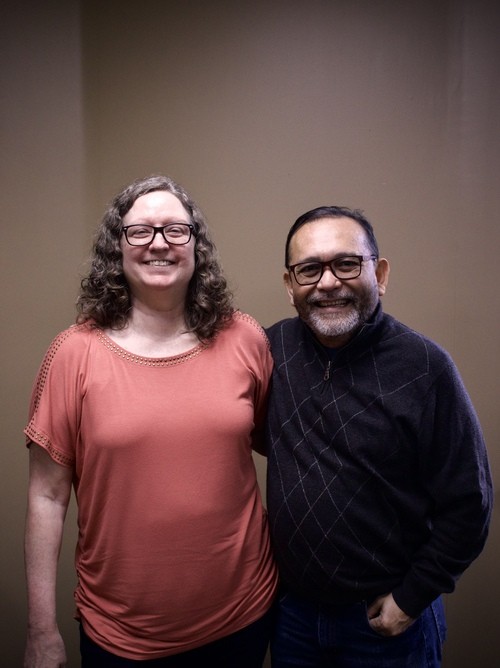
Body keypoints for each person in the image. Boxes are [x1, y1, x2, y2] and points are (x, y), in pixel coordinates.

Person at [23, 174, 278, 668]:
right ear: (116, 247)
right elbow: (46, 497)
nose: (159, 243)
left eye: (175, 230)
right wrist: (41, 631)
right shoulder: (73, 354)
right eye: (140, 231)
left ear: (196, 245)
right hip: (121, 634)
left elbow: (287, 448)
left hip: (243, 617)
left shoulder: (245, 338)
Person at [264, 205, 493, 667]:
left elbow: (470, 504)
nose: (328, 282)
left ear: (380, 274)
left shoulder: (425, 368)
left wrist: (411, 599)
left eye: (346, 264)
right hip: (293, 617)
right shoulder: (270, 350)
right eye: (309, 269)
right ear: (290, 285)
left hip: (382, 623)